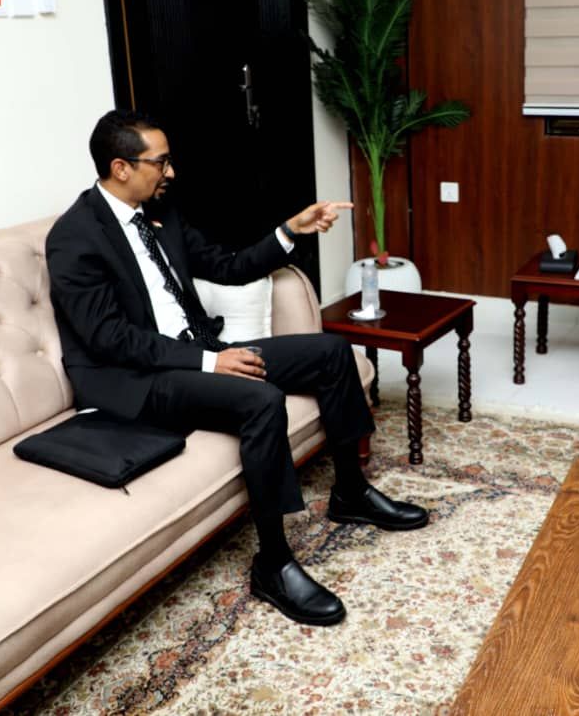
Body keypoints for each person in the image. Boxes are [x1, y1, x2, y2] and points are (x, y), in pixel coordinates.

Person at [46, 109, 427, 626]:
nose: (170, 172)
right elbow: (108, 338)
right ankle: (273, 564)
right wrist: (211, 361)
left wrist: (290, 231)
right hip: (139, 380)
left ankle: (351, 492)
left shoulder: (160, 213)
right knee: (260, 399)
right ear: (121, 167)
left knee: (332, 352)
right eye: (160, 162)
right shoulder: (74, 237)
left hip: (195, 354)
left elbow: (226, 267)